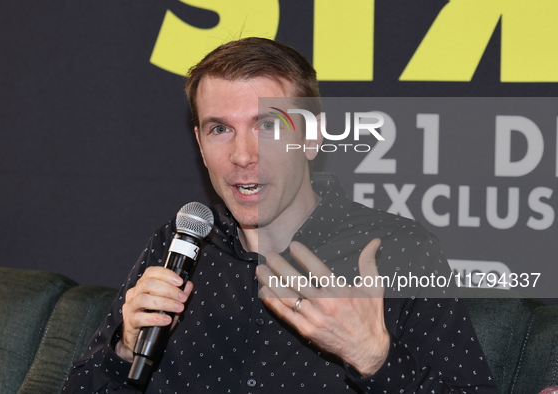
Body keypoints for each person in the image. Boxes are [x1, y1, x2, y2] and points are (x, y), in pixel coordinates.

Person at [64, 37, 497, 393]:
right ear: (199, 143)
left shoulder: (398, 251)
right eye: (220, 129)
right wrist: (123, 350)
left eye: (268, 126)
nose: (242, 155)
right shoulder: (178, 243)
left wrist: (373, 356)